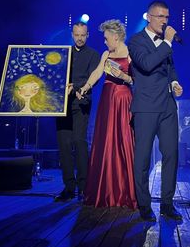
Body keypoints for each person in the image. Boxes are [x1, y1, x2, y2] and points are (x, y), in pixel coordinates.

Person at [128, 0, 183, 221]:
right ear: (148, 17)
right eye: (160, 16)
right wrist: (167, 42)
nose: (164, 21)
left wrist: (174, 83)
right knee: (142, 157)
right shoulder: (136, 41)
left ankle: (167, 204)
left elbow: (170, 68)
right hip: (146, 106)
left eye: (167, 17)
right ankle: (144, 204)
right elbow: (147, 64)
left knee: (171, 154)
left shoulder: (164, 43)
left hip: (167, 105)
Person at [77, 20, 137, 209]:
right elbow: (97, 72)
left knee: (123, 140)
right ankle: (106, 189)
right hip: (108, 100)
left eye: (106, 38)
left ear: (115, 37)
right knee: (107, 140)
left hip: (123, 99)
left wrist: (124, 77)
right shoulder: (106, 54)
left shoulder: (130, 54)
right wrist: (86, 87)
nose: (104, 41)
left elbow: (137, 79)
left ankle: (126, 191)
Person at [54, 22, 100, 201]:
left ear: (87, 35)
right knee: (64, 145)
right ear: (72, 35)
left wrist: (76, 87)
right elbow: (55, 76)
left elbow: (93, 79)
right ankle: (69, 187)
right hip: (62, 104)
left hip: (81, 103)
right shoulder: (64, 53)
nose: (79, 38)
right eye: (77, 35)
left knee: (80, 143)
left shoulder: (93, 55)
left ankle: (83, 187)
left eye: (83, 35)